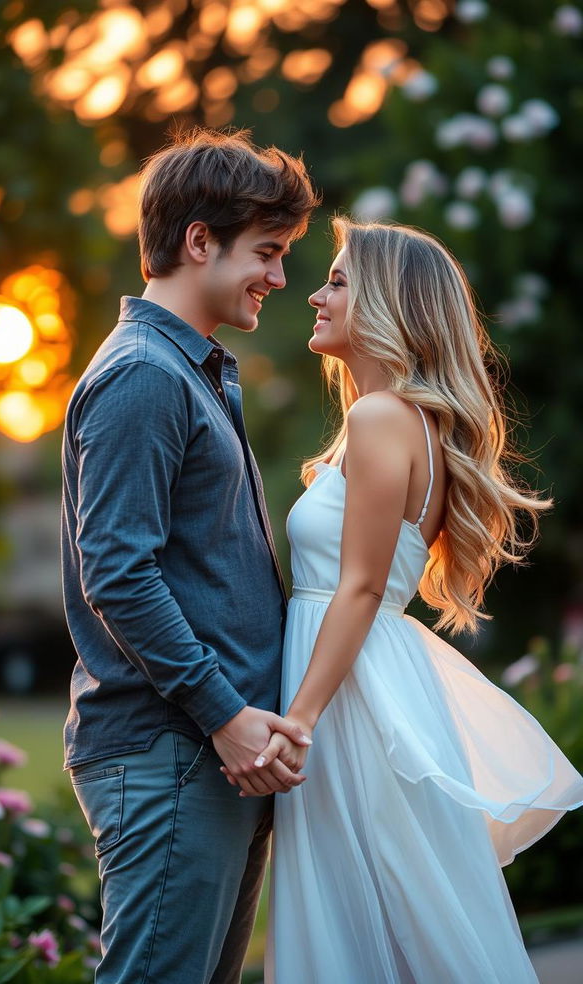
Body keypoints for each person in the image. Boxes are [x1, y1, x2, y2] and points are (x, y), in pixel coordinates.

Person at [249, 219, 583, 983]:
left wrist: (299, 720)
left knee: (374, 907)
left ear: (386, 302)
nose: (315, 293)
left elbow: (361, 583)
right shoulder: (405, 422)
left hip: (348, 698)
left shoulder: (380, 418)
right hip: (369, 678)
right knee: (396, 909)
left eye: (336, 280)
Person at [60, 128, 319, 984]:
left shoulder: (197, 370)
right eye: (269, 252)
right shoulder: (144, 375)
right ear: (199, 241)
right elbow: (119, 576)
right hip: (172, 748)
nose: (281, 279)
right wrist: (224, 713)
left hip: (211, 752)